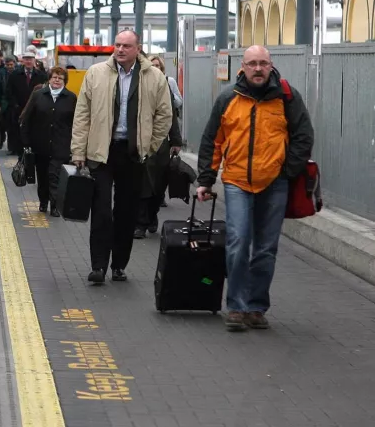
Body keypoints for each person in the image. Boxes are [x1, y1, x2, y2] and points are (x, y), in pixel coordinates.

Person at [196, 45, 313, 332]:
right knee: (238, 243)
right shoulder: (228, 99)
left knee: (265, 248)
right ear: (243, 67)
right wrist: (206, 180)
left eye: (263, 63)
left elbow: (303, 135)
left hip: (275, 183)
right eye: (252, 64)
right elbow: (213, 141)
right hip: (237, 182)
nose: (258, 69)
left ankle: (257, 306)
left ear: (271, 66)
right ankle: (236, 306)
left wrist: (287, 171)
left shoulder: (287, 98)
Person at [70, 30, 172, 284]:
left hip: (133, 152)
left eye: (126, 46)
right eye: (117, 45)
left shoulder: (154, 77)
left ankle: (118, 265)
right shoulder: (96, 73)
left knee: (126, 212)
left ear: (138, 49)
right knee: (101, 210)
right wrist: (78, 150)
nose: (120, 50)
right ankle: (98, 266)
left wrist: (149, 145)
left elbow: (164, 116)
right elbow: (82, 114)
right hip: (101, 151)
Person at [134, 55, 183, 238]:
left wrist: (176, 141)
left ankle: (152, 215)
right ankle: (140, 223)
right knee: (142, 184)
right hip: (139, 142)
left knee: (158, 186)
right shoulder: (134, 85)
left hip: (161, 143)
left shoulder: (163, 86)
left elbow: (171, 116)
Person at [20, 66, 77, 215]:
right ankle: (43, 202)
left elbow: (76, 122)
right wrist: (26, 142)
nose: (57, 80)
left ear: (65, 81)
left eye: (60, 78)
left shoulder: (71, 98)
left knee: (55, 175)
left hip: (61, 144)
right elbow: (26, 119)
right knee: (43, 175)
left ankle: (55, 205)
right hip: (40, 144)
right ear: (49, 79)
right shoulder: (38, 95)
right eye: (54, 77)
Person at [7, 46, 47, 155]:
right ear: (23, 60)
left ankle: (32, 149)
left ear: (34, 60)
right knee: (18, 130)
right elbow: (9, 91)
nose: (28, 61)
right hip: (18, 108)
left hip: (35, 108)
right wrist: (14, 104)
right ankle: (19, 151)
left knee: (33, 129)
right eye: (26, 59)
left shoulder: (41, 76)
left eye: (31, 59)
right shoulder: (14, 75)